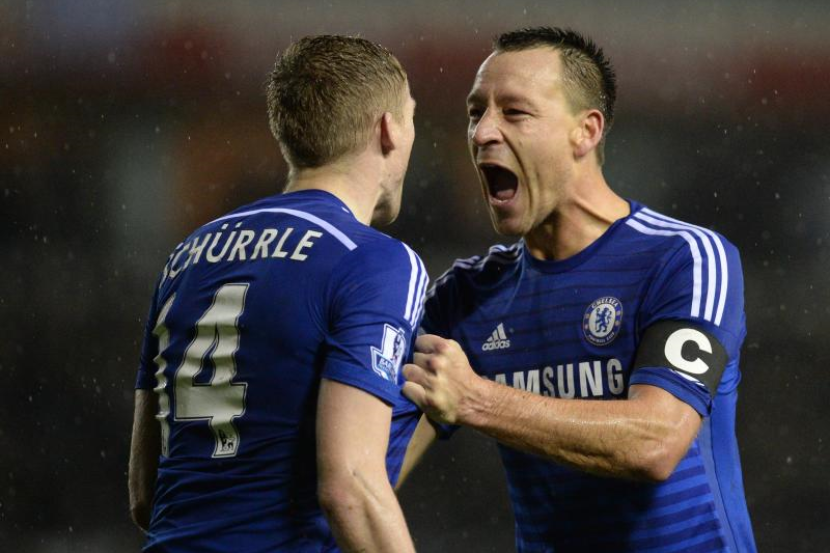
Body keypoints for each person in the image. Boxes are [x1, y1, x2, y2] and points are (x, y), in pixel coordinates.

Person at [401, 27, 757, 552]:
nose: (482, 133)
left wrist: (477, 398)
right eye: (476, 113)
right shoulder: (466, 297)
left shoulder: (684, 258)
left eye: (514, 112)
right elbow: (364, 473)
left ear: (585, 131)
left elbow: (656, 441)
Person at [128, 35, 426, 552]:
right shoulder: (373, 260)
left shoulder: (187, 257)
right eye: (412, 116)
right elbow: (350, 487)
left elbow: (144, 492)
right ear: (389, 129)